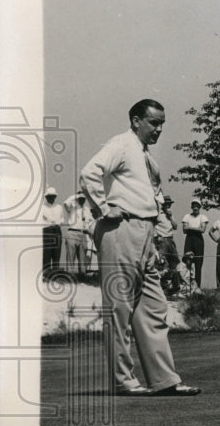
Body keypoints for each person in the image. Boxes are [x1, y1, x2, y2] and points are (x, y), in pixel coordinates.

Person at [78, 98, 199, 396]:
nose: (158, 129)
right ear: (136, 120)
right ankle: (124, 381)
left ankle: (164, 380)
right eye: (154, 123)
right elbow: (89, 173)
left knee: (154, 307)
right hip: (120, 229)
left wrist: (154, 238)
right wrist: (105, 208)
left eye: (162, 124)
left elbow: (152, 197)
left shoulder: (147, 157)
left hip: (144, 233)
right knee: (120, 309)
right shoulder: (121, 144)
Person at [62, 192, 94, 275]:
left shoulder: (87, 210)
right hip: (72, 232)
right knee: (70, 257)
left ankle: (82, 277)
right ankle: (69, 276)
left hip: (83, 234)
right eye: (80, 198)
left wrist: (89, 232)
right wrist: (76, 195)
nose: (82, 200)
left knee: (83, 257)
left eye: (83, 198)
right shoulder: (72, 207)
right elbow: (65, 202)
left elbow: (90, 222)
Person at [154, 195, 180, 294]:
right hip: (162, 240)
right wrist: (157, 237)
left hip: (170, 240)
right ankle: (160, 289)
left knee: (175, 263)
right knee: (161, 264)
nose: (168, 205)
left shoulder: (170, 214)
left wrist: (170, 217)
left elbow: (176, 226)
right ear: (163, 204)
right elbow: (152, 225)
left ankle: (175, 288)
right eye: (166, 204)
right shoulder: (158, 214)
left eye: (169, 204)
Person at [181, 199, 209, 288]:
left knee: (198, 263)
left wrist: (190, 227)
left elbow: (202, 230)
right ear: (191, 207)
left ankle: (197, 287)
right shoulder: (187, 216)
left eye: (197, 206)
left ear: (200, 207)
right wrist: (196, 228)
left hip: (198, 240)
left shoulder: (203, 217)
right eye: (194, 206)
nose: (195, 208)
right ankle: (186, 285)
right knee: (187, 262)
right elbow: (184, 230)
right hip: (189, 239)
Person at [41, 187, 65, 275]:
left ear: (55, 197)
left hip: (57, 230)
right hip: (47, 230)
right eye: (49, 196)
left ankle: (55, 273)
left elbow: (62, 219)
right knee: (47, 252)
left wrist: (58, 222)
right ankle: (46, 273)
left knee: (56, 252)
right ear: (46, 197)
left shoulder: (59, 207)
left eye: (53, 196)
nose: (51, 198)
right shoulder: (42, 207)